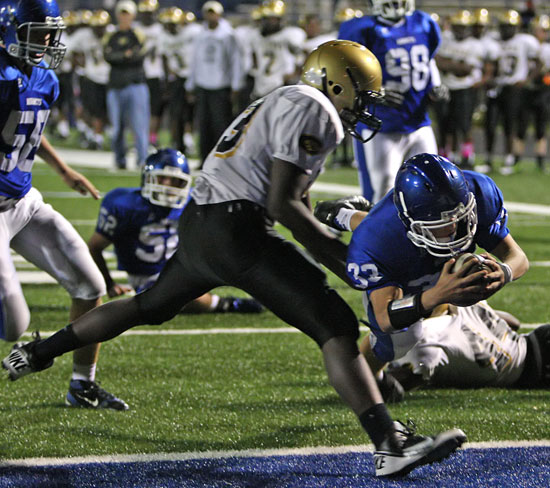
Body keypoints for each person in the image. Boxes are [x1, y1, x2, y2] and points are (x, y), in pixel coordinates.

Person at [2, 40, 466, 478]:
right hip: (237, 230)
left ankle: (38, 352)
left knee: (149, 305)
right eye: (361, 95)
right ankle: (390, 444)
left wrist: (339, 255)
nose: (364, 106)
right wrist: (347, 263)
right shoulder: (316, 108)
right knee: (336, 326)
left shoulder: (284, 97)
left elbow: (281, 196)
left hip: (203, 222)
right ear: (337, 84)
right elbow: (284, 204)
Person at [0, 0, 127, 410]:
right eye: (39, 33)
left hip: (22, 200)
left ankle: (81, 385)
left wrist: (63, 168)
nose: (49, 42)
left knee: (91, 286)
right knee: (13, 325)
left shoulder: (44, 79)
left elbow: (25, 126)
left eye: (51, 33)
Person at [314, 153, 529, 385]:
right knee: (401, 339)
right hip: (398, 256)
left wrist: (504, 272)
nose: (455, 229)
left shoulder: (478, 191)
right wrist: (438, 295)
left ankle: (347, 214)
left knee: (464, 268)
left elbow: (518, 258)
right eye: (441, 226)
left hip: (403, 233)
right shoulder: (377, 241)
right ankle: (363, 381)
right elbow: (384, 316)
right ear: (411, 223)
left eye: (460, 217)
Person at [88, 148, 263, 314]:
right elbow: (94, 247)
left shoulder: (193, 201)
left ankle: (267, 288)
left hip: (184, 265)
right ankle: (226, 304)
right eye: (162, 179)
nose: (168, 186)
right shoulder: (124, 205)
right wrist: (109, 283)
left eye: (176, 181)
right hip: (147, 276)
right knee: (178, 295)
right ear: (147, 178)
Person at [338, 0, 447, 203]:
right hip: (380, 124)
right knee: (382, 192)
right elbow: (346, 73)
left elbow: (428, 60)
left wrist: (436, 84)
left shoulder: (423, 23)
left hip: (419, 122)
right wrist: (373, 91)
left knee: (432, 183)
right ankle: (345, 219)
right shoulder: (363, 29)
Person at [385, 302, 550, 399]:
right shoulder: (458, 298)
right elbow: (513, 323)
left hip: (532, 366)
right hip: (536, 351)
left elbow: (394, 384)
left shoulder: (422, 343)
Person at [185, 1, 242, 166]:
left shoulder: (228, 35)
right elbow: (195, 61)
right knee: (203, 126)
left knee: (221, 127)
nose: (211, 16)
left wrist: (236, 85)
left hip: (221, 86)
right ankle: (204, 159)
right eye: (208, 13)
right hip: (203, 85)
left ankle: (220, 161)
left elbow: (235, 61)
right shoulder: (200, 34)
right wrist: (191, 84)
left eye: (213, 13)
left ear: (219, 14)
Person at [104, 0, 150, 169]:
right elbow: (108, 57)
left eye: (127, 13)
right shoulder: (111, 35)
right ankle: (120, 160)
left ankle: (142, 160)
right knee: (116, 129)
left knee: (139, 126)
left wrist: (120, 56)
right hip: (115, 85)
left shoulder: (138, 33)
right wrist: (126, 55)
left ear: (133, 15)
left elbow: (139, 56)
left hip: (135, 84)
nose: (124, 17)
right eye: (122, 13)